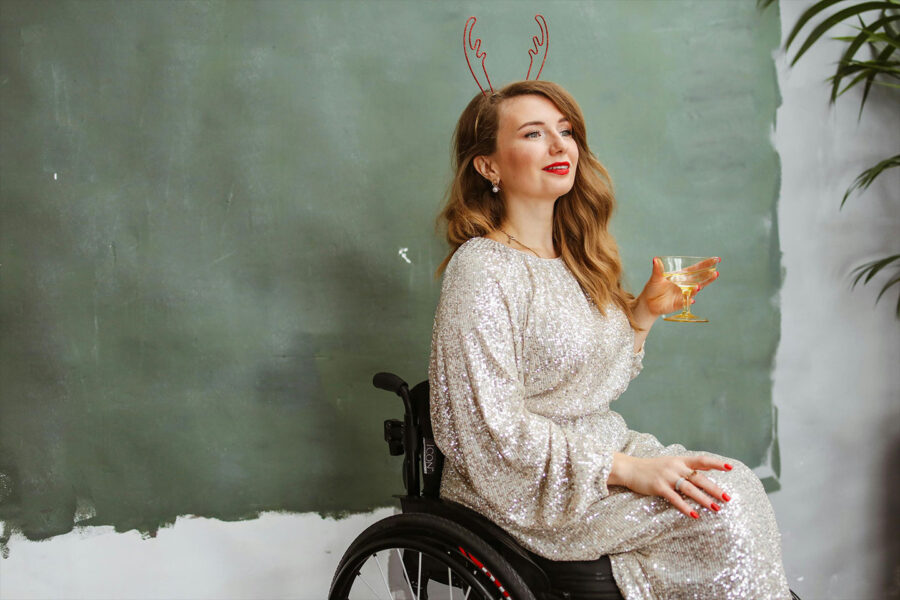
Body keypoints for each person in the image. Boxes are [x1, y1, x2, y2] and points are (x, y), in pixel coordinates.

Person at [429, 80, 791, 599]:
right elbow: (492, 431)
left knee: (736, 488)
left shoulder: (574, 258)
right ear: (488, 166)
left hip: (600, 454)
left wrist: (643, 314)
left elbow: (586, 386)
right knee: (720, 515)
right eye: (534, 134)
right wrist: (626, 471)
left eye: (566, 131)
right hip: (526, 487)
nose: (560, 147)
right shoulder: (482, 270)